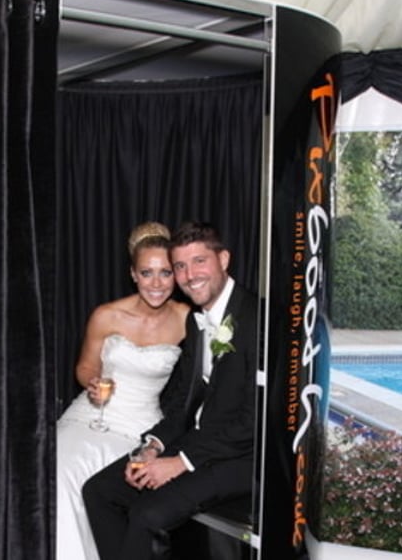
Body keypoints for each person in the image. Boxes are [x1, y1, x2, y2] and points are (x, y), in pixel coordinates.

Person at [82, 221, 258, 560]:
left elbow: (254, 422)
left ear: (223, 259)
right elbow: (182, 403)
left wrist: (180, 463)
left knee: (146, 515)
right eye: (180, 266)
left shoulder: (259, 319)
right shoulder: (195, 322)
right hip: (199, 443)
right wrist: (153, 447)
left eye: (199, 261)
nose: (190, 275)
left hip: (242, 458)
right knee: (100, 492)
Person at [56, 221, 190, 560]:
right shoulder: (106, 315)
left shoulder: (187, 319)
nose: (156, 284)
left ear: (176, 273)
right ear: (133, 274)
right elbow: (85, 367)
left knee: (102, 487)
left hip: (141, 426)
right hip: (92, 415)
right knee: (59, 471)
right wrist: (92, 384)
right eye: (147, 273)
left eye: (165, 273)